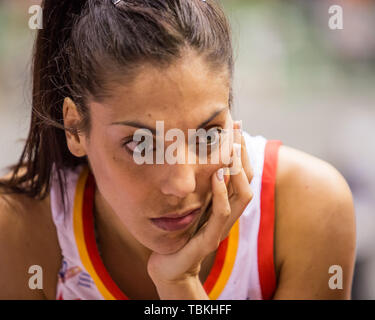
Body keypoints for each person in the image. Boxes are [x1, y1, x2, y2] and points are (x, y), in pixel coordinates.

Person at [0, 0, 356, 300]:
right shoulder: (22, 226)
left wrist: (180, 287)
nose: (182, 185)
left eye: (208, 136)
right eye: (141, 144)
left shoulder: (308, 210)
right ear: (76, 127)